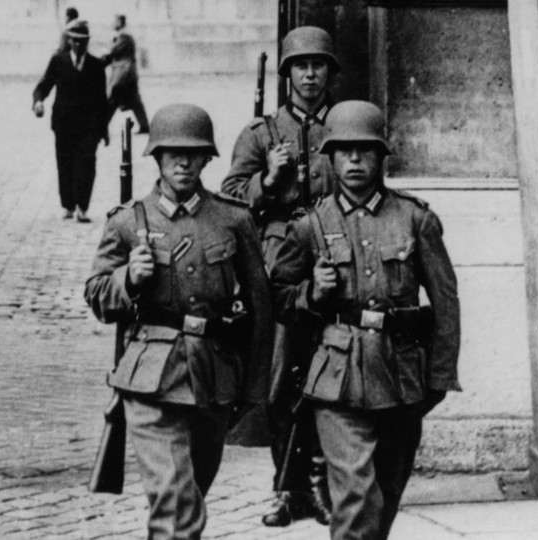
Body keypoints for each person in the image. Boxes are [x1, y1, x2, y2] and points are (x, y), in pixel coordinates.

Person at [270, 100, 461, 540]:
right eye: (344, 151)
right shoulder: (310, 226)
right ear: (330, 157)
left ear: (381, 155)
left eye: (365, 150)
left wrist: (440, 375)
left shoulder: (416, 219)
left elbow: (446, 302)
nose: (354, 160)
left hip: (402, 375)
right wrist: (310, 294)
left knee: (386, 495)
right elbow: (279, 299)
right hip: (337, 379)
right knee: (356, 500)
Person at [84, 103, 274, 539]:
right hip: (150, 378)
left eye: (194, 154)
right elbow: (96, 295)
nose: (183, 162)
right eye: (173, 153)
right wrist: (127, 278)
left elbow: (261, 310)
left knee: (188, 497)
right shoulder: (127, 222)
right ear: (157, 157)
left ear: (208, 158)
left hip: (214, 377)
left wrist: (253, 389)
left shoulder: (233, 219)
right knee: (175, 507)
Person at [221, 25, 339, 527]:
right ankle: (288, 488)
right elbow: (228, 199)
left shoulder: (346, 127)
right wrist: (266, 180)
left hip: (336, 258)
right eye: (301, 66)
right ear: (287, 73)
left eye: (318, 65)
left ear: (330, 72)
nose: (310, 74)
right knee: (281, 378)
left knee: (332, 371)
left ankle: (322, 482)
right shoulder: (261, 134)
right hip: (280, 267)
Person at [33, 19, 108, 223]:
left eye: (82, 41)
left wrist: (103, 130)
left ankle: (82, 207)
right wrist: (38, 101)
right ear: (69, 40)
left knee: (86, 165)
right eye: (74, 40)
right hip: (63, 124)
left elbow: (102, 101)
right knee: (65, 164)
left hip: (88, 127)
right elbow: (44, 85)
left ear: (87, 42)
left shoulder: (95, 66)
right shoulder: (59, 61)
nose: (78, 45)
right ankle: (68, 205)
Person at [103, 14, 149, 134]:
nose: (112, 23)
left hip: (123, 73)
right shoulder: (123, 37)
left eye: (115, 21)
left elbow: (112, 53)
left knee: (113, 98)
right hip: (127, 73)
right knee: (134, 100)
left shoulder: (124, 37)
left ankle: (101, 125)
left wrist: (97, 63)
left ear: (120, 22)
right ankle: (144, 126)